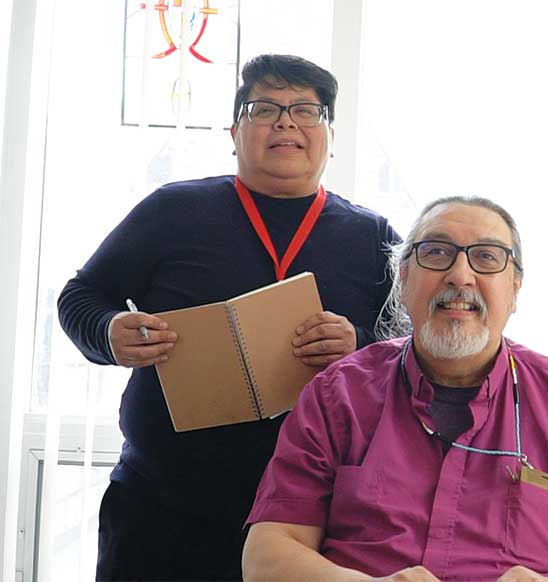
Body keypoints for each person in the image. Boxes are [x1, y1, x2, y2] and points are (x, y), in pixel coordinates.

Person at [57, 54, 400, 580]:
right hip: (161, 504)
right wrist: (109, 333)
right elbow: (81, 295)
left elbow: (414, 351)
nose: (285, 121)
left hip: (309, 523)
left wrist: (360, 344)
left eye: (306, 110)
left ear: (330, 135)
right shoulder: (172, 211)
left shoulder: (373, 236)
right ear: (234, 132)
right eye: (265, 108)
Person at [242, 197, 548, 582]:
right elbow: (267, 555)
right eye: (436, 253)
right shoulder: (338, 394)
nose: (460, 275)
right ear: (404, 279)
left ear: (515, 289)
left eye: (487, 257)